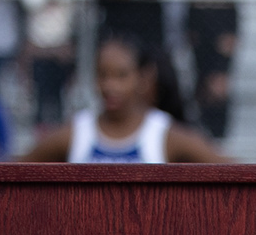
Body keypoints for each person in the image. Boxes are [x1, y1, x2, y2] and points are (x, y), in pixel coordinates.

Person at [19, 32, 228, 162]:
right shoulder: (76, 133)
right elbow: (14, 171)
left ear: (143, 77)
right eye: (102, 75)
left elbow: (230, 171)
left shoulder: (164, 134)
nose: (110, 86)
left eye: (121, 75)